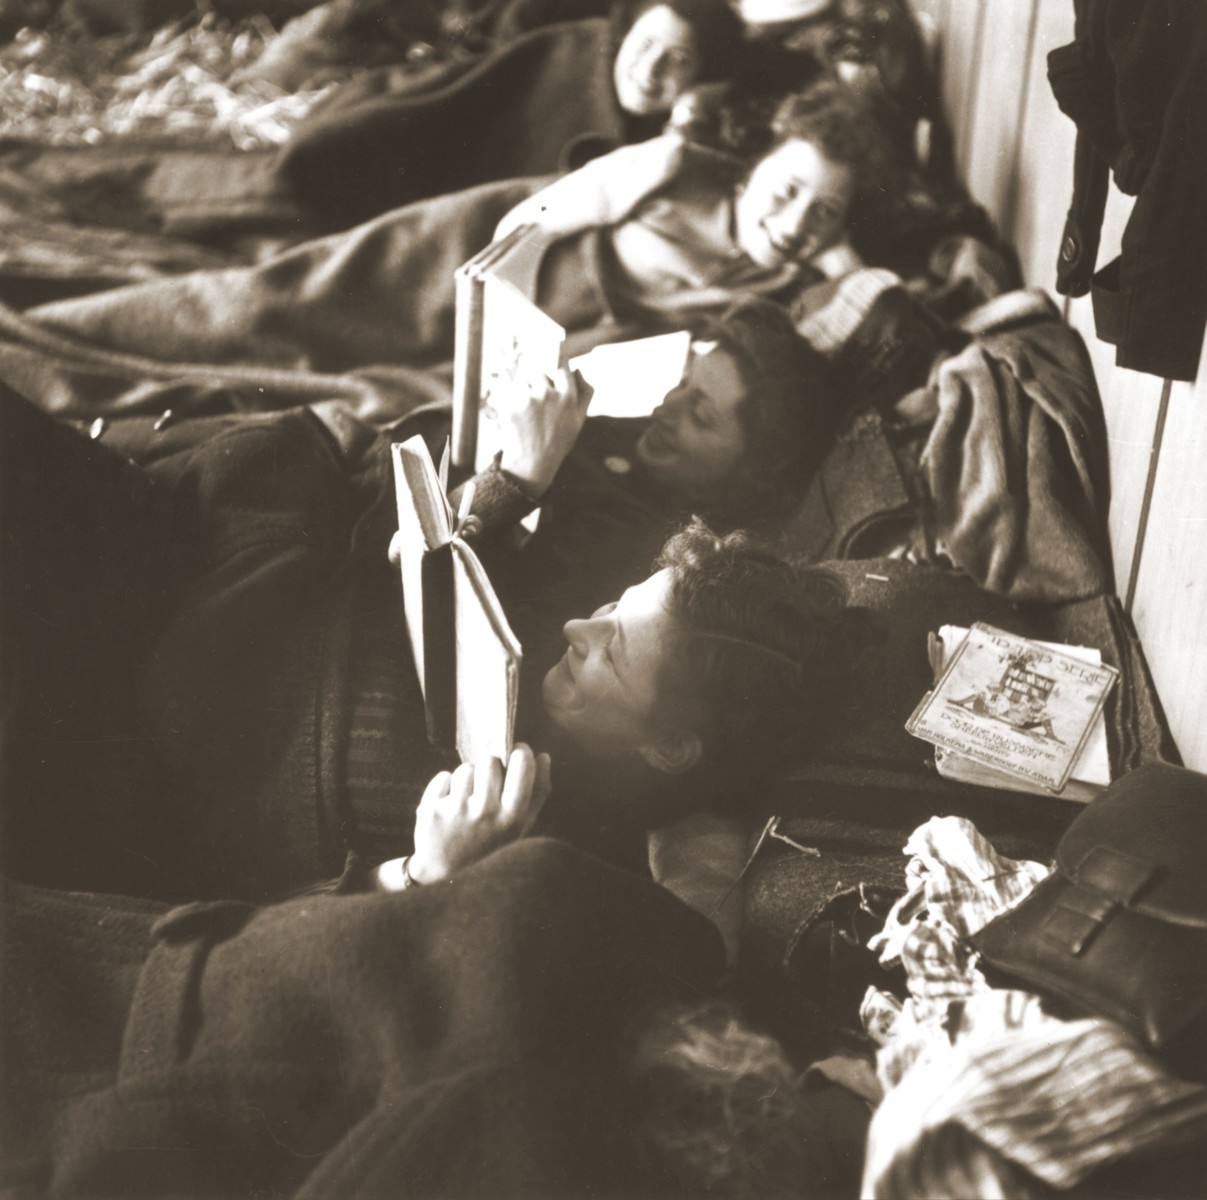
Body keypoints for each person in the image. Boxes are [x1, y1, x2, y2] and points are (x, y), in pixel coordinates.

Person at [2, 81, 895, 426]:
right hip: (475, 263)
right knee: (269, 310)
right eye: (786, 190)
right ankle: (40, 344)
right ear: (755, 166)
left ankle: (89, 393)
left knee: (362, 400)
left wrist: (840, 246)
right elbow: (548, 212)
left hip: (537, 339)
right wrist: (485, 293)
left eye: (825, 212)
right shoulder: (677, 170)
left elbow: (871, 288)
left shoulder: (793, 275)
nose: (796, 220)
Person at [273, 0, 746, 231]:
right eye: (645, 47)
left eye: (678, 61)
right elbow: (454, 102)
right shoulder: (574, 52)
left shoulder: (673, 144)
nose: (650, 70)